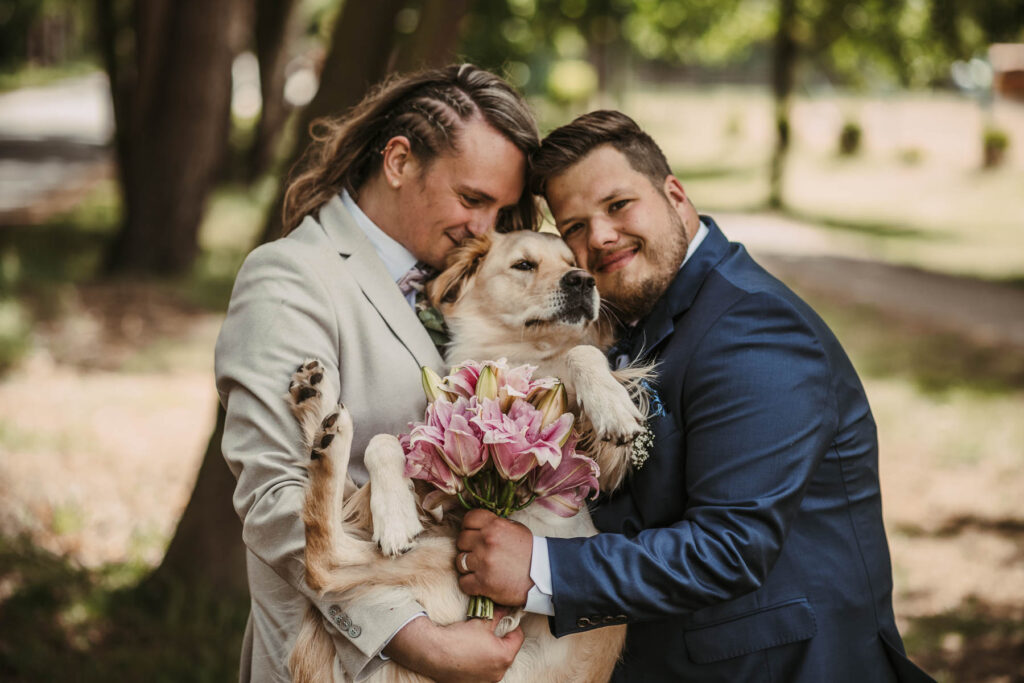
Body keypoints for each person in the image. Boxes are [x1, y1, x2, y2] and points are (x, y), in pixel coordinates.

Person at [455, 110, 935, 682]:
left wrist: (539, 566)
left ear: (675, 195)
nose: (600, 237)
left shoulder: (755, 328)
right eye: (576, 227)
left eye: (618, 205)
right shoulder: (631, 314)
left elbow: (729, 548)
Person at [214, 64, 539, 683]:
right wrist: (418, 642)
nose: (486, 230)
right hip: (342, 662)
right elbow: (275, 499)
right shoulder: (290, 277)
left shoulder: (466, 278)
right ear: (398, 161)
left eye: (502, 210)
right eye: (472, 199)